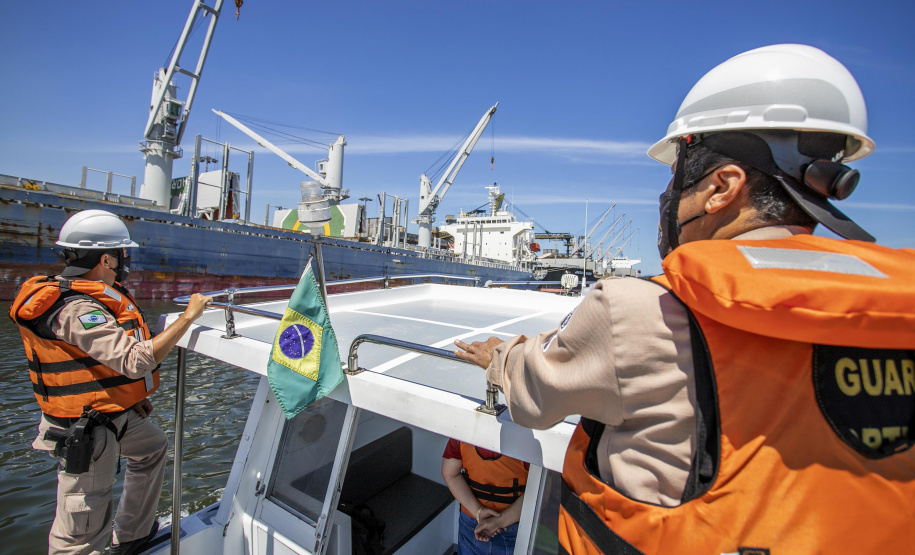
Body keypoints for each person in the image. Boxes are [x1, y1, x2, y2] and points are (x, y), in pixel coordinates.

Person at [455, 44, 915, 554]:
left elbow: (533, 394)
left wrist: (501, 357)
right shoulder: (894, 312)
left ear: (722, 187)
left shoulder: (640, 310)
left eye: (677, 176)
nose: (667, 196)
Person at [9, 209, 213, 555]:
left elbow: (90, 362)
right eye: (121, 255)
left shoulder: (89, 295)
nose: (124, 262)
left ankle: (132, 535)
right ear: (106, 258)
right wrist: (188, 319)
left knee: (152, 446)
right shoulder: (76, 309)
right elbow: (134, 361)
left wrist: (129, 399)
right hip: (86, 429)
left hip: (111, 412)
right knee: (81, 528)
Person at [441, 439, 528, 555]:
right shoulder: (528, 440)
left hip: (472, 520)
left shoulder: (462, 432)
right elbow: (541, 493)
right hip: (512, 525)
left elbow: (449, 474)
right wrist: (499, 522)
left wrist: (478, 511)